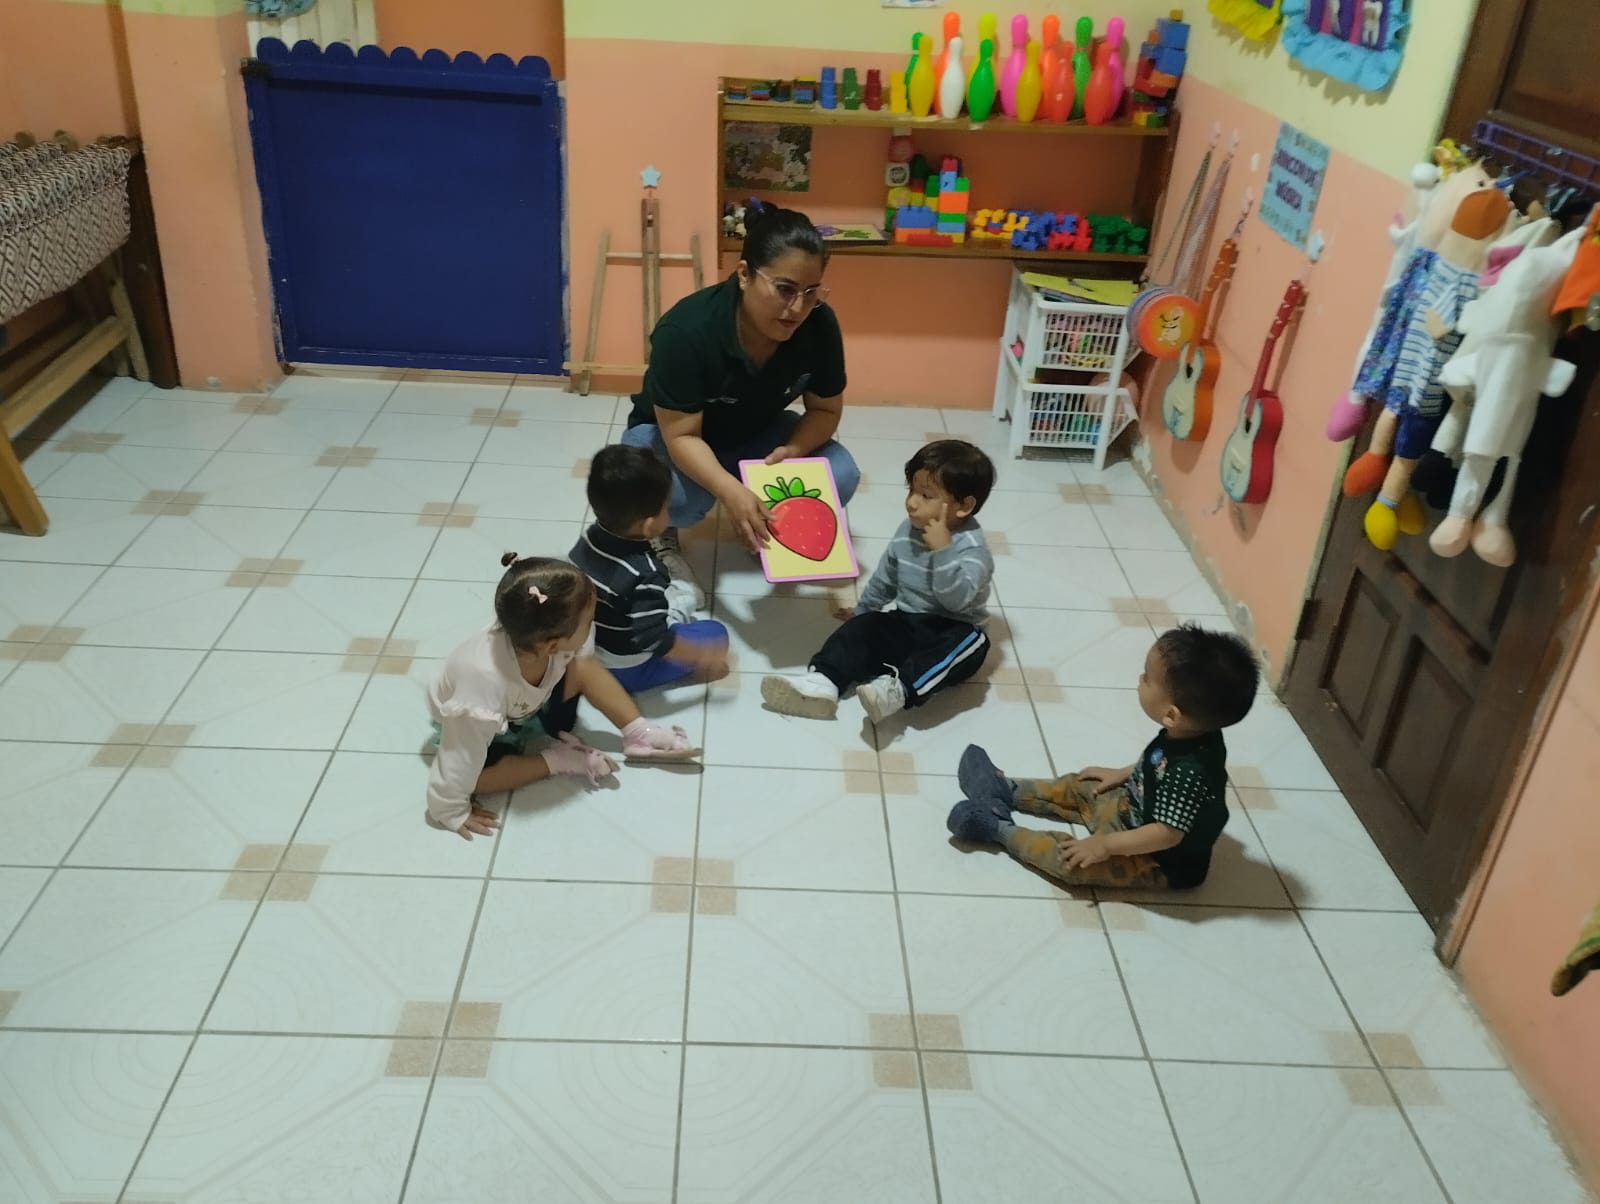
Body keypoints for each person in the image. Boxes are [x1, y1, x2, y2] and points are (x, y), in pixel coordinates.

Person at [621, 204, 859, 602]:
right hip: (673, 438)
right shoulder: (686, 330)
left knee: (841, 473)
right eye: (785, 289)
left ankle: (765, 525)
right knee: (680, 499)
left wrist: (794, 450)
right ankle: (659, 536)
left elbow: (825, 409)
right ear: (745, 274)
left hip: (755, 432)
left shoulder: (819, 324)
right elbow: (681, 436)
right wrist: (730, 491)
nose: (798, 308)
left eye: (811, 292)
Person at [946, 624, 1260, 890]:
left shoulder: (1190, 774)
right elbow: (1160, 763)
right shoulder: (1194, 732)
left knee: (1071, 863)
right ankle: (1004, 790)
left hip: (1155, 857)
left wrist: (1104, 845)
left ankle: (997, 827)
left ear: (1171, 715)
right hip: (1130, 810)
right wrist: (1124, 774)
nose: (1139, 679)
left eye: (1147, 678)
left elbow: (1167, 834)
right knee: (1083, 785)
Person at [426, 554, 699, 840]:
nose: (593, 624)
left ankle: (638, 733)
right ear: (553, 645)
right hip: (476, 728)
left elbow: (583, 661)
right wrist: (451, 809)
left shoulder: (541, 635)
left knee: (584, 664)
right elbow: (458, 757)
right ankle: (558, 760)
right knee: (473, 778)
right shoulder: (481, 686)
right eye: (589, 621)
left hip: (528, 705)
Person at [760, 439, 996, 725]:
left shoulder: (973, 550)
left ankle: (896, 690)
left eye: (926, 495)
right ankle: (823, 682)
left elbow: (955, 602)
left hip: (950, 629)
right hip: (907, 621)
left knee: (973, 642)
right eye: (911, 490)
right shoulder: (907, 530)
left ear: (964, 506)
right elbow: (886, 577)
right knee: (862, 628)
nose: (912, 502)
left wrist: (943, 552)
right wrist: (863, 612)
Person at [569, 444, 730, 692]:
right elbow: (654, 641)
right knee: (716, 633)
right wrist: (701, 653)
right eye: (667, 508)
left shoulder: (589, 537)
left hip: (586, 651)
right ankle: (681, 603)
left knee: (656, 603)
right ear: (650, 525)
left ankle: (678, 602)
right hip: (628, 671)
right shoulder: (645, 573)